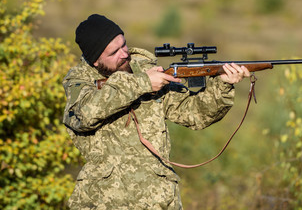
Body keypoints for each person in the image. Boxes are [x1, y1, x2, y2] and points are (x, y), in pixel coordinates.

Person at [63, 14, 250, 209]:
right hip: (104, 201)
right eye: (114, 53)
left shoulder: (146, 68)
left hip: (157, 201)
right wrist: (142, 83)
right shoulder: (79, 81)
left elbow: (194, 114)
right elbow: (83, 115)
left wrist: (222, 85)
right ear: (95, 61)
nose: (124, 54)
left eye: (123, 45)